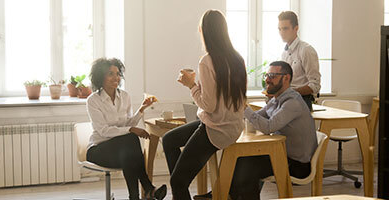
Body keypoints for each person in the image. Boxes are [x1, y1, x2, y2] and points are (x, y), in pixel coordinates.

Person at [162, 9, 247, 200]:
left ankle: (180, 183)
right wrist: (199, 84)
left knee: (177, 182)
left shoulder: (207, 61)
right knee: (169, 140)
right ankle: (182, 179)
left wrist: (191, 85)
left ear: (204, 32)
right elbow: (229, 97)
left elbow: (208, 105)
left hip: (215, 129)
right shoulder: (237, 59)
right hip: (233, 126)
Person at [229, 61, 318, 200]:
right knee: (241, 159)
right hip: (281, 155)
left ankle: (228, 196)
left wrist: (244, 108)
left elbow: (268, 127)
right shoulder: (276, 99)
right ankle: (229, 195)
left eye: (272, 75)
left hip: (298, 165)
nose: (267, 79)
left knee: (247, 167)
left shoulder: (292, 102)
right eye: (267, 75)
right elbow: (258, 118)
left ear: (286, 78)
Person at [86, 58, 166, 200]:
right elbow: (104, 131)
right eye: (110, 73)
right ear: (100, 76)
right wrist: (131, 130)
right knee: (131, 140)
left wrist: (142, 109)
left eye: (117, 73)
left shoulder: (125, 96)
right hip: (98, 150)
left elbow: (127, 123)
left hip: (121, 152)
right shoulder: (93, 100)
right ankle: (148, 189)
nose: (116, 77)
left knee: (129, 152)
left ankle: (136, 196)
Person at [278, 11, 321, 110]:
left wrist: (291, 92)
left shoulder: (306, 50)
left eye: (285, 28)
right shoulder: (284, 53)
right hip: (287, 100)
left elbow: (315, 85)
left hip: (302, 101)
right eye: (279, 29)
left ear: (296, 28)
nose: (281, 33)